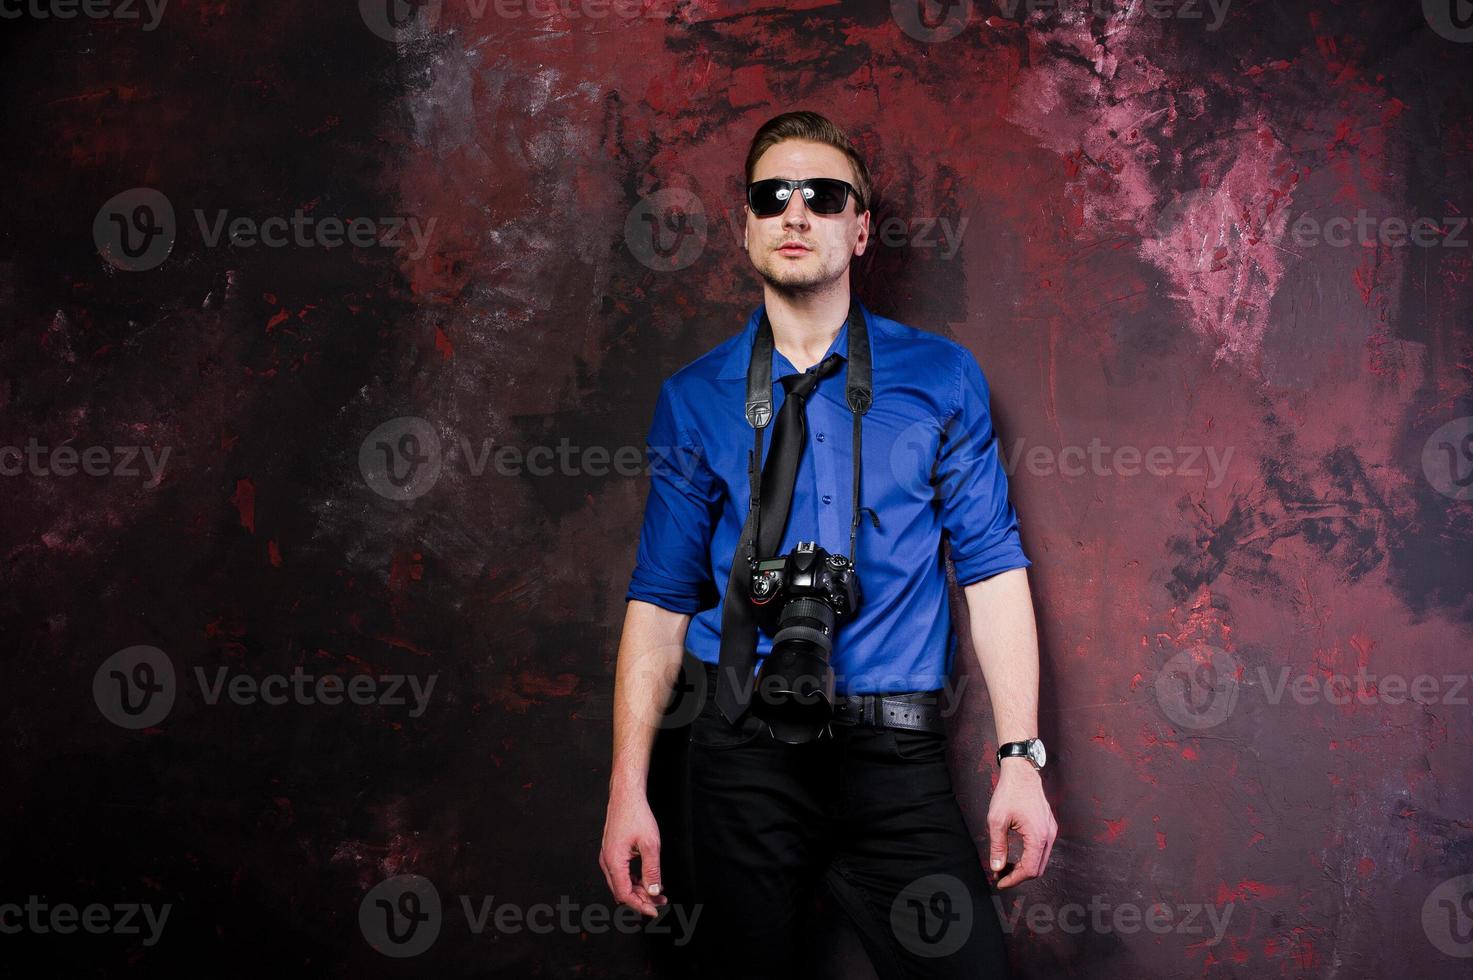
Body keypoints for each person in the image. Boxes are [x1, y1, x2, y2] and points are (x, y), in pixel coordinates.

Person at [600, 110, 1057, 979]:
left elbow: (992, 571)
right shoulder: (694, 397)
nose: (795, 214)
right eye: (770, 197)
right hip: (739, 755)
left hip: (894, 755)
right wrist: (626, 791)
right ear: (745, 225)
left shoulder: (941, 378)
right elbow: (659, 601)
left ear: (860, 226)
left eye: (822, 194)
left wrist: (1020, 760)